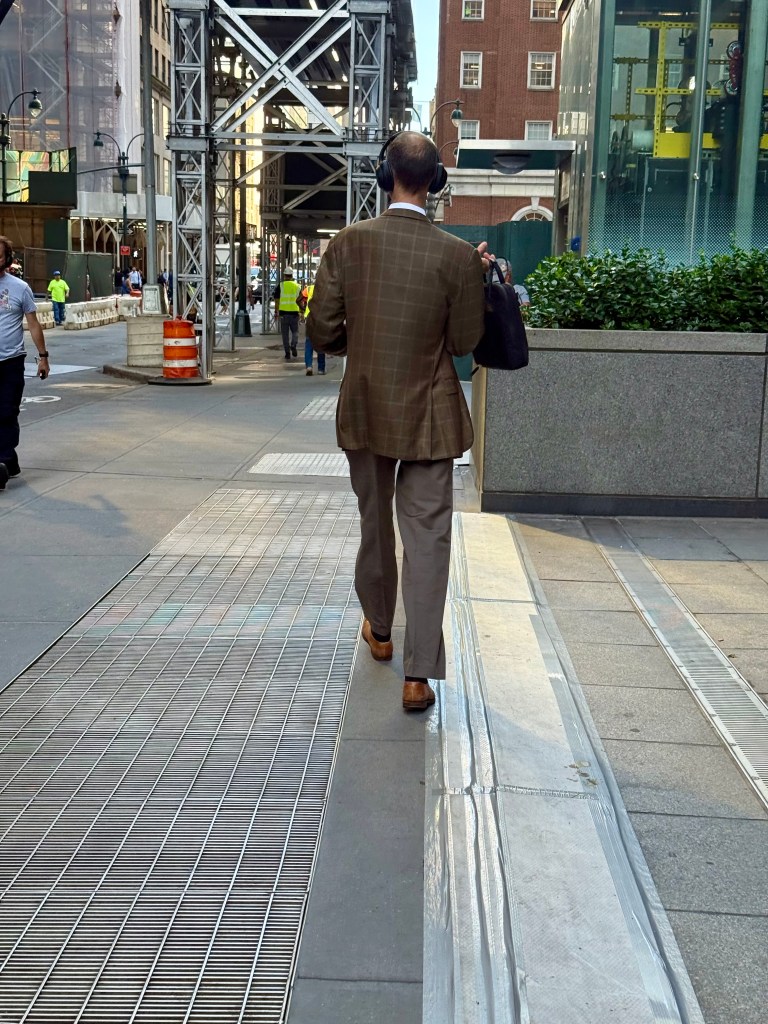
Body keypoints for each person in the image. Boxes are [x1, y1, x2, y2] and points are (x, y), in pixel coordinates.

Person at [308, 131, 489, 712]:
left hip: (365, 405)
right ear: (436, 183)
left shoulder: (347, 244)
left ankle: (380, 632)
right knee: (429, 537)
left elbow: (323, 331)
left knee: (374, 524)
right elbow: (464, 341)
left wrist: (357, 347)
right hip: (431, 413)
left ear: (387, 178)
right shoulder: (458, 255)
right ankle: (419, 675)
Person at [0, 236, 50, 490]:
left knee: (7, 411)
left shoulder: (20, 288)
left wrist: (43, 357)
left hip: (11, 360)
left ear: (7, 259)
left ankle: (4, 460)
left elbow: (33, 324)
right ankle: (9, 461)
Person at [273, 266, 300, 360]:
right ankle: (293, 344)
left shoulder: (280, 286)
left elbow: (276, 300)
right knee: (295, 332)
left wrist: (276, 312)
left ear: (284, 275)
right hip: (294, 313)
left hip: (283, 313)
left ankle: (287, 353)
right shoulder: (297, 286)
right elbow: (301, 300)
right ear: (292, 275)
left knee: (285, 334)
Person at [301, 281, 325, 376]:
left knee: (309, 343)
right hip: (321, 318)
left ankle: (309, 367)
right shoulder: (325, 290)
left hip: (309, 318)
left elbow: (299, 299)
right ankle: (321, 369)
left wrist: (303, 309)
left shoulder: (309, 289)